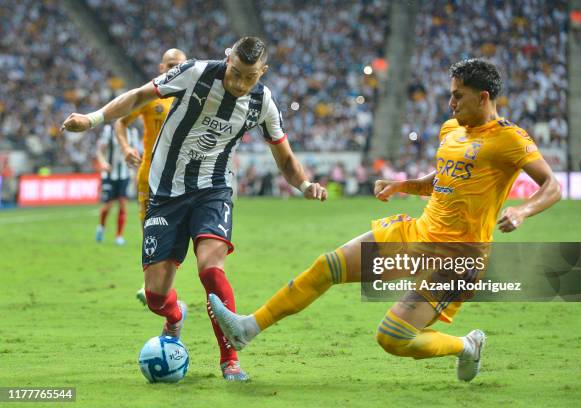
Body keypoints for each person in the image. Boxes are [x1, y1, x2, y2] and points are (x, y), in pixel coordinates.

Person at [209, 58, 562, 382]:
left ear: (484, 97)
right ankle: (247, 329)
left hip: (456, 257)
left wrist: (522, 210)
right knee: (327, 266)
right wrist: (403, 185)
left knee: (392, 338)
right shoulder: (450, 130)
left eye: (459, 97)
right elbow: (444, 177)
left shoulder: (509, 139)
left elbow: (552, 185)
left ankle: (466, 346)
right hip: (416, 234)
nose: (451, 104)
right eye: (450, 96)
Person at [61, 37, 327, 382]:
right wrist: (93, 119)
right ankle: (174, 316)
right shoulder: (195, 72)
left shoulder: (263, 102)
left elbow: (285, 157)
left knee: (211, 270)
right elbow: (140, 95)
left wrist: (305, 185)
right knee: (156, 295)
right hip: (166, 192)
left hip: (213, 190)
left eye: (251, 77)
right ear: (227, 59)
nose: (240, 83)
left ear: (263, 71)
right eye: (236, 73)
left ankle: (230, 360)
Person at [112, 48, 187, 304]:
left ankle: (163, 284)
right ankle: (149, 286)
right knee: (149, 231)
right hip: (149, 174)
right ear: (161, 67)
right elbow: (120, 122)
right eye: (169, 65)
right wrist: (124, 148)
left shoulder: (195, 97)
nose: (173, 69)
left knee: (178, 231)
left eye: (179, 65)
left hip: (181, 176)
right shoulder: (150, 95)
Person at [95, 124, 138, 245]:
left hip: (124, 175)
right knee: (107, 206)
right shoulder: (108, 130)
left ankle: (119, 236)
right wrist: (103, 162)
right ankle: (101, 227)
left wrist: (135, 171)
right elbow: (99, 151)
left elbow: (135, 153)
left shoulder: (132, 132)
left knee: (123, 205)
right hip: (109, 175)